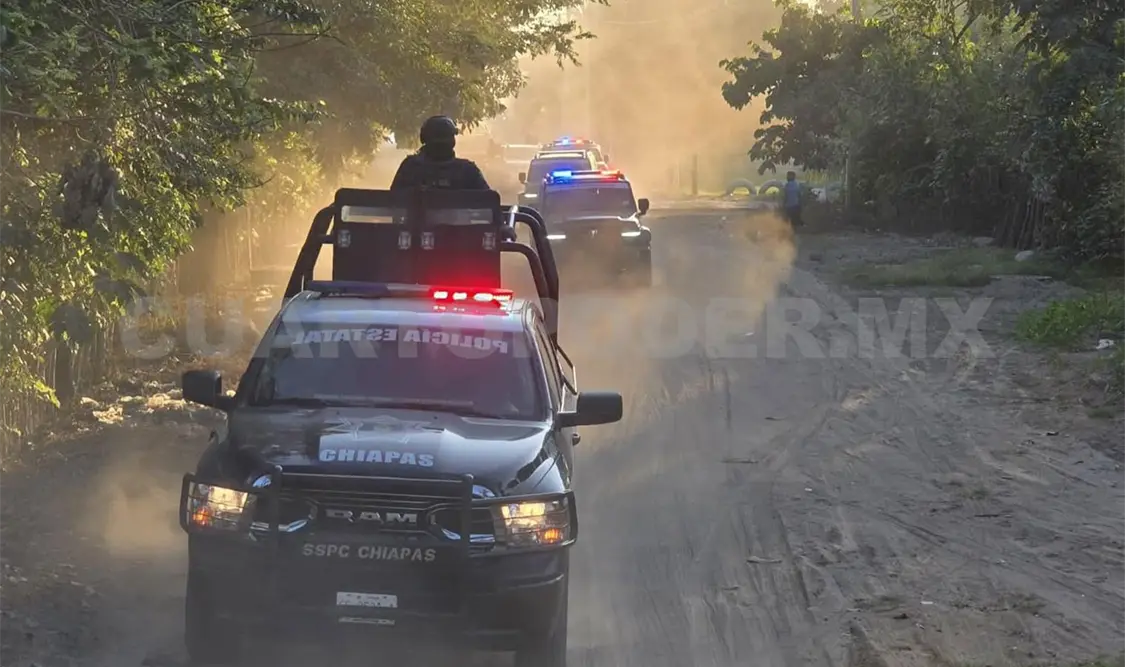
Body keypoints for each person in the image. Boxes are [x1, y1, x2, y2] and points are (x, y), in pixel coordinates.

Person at [389, 116, 491, 190]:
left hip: (418, 221)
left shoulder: (410, 167)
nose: (441, 143)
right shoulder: (468, 170)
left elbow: (392, 203)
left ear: (424, 139)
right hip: (455, 220)